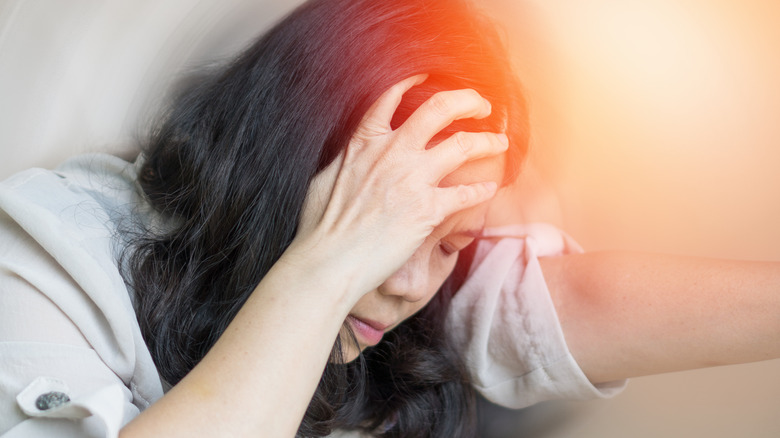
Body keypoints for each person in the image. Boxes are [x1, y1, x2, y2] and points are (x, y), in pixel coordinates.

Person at [1, 0, 779, 437]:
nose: (411, 282)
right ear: (278, 162)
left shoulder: (403, 296)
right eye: (387, 219)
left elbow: (553, 307)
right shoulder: (43, 257)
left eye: (448, 244)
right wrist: (330, 263)